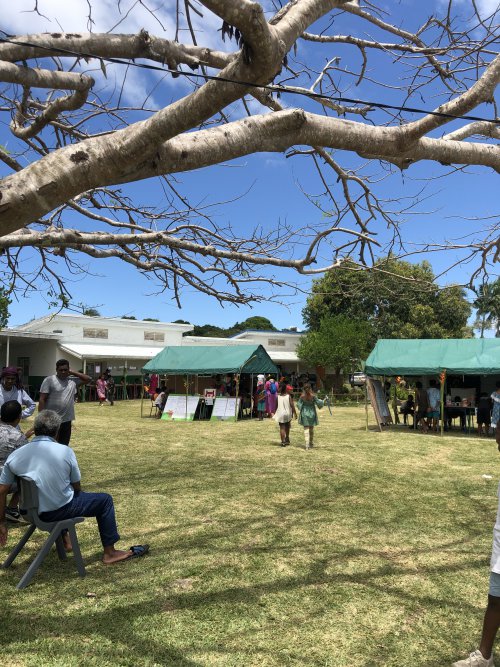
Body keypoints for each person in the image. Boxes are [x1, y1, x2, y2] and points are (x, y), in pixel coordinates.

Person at [0, 410, 149, 565]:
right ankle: (110, 553)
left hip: (28, 512)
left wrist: (2, 522)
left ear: (35, 430)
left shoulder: (16, 455)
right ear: (57, 431)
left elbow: (2, 491)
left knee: (59, 496)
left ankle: (66, 540)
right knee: (104, 500)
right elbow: (76, 486)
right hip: (55, 512)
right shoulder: (65, 451)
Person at [38, 359, 91, 446]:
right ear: (56, 370)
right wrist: (41, 417)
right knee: (51, 445)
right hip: (52, 420)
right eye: (61, 370)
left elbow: (88, 379)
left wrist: (72, 372)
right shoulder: (49, 380)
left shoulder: (72, 381)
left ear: (69, 369)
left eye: (65, 370)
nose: (63, 372)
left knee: (64, 445)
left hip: (66, 420)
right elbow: (42, 399)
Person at [0, 401, 28, 522]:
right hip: (6, 482)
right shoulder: (19, 437)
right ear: (19, 417)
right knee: (28, 477)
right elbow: (26, 462)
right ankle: (12, 507)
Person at [297, 383, 324, 450]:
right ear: (310, 388)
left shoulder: (302, 396)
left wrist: (301, 407)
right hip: (312, 413)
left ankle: (307, 445)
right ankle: (311, 443)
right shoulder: (313, 396)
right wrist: (322, 401)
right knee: (311, 429)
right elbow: (319, 403)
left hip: (304, 412)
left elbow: (298, 404)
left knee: (306, 428)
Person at [273, 381, 297, 446]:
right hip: (288, 414)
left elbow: (276, 406)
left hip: (281, 413)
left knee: (282, 428)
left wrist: (275, 413)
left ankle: (283, 442)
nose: (278, 388)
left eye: (279, 387)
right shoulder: (288, 396)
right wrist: (295, 413)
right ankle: (287, 438)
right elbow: (292, 405)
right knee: (287, 426)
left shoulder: (278, 397)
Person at [491, 382, 500, 450]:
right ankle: (497, 435)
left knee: (496, 422)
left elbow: (492, 401)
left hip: (496, 409)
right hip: (496, 410)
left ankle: (496, 435)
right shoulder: (494, 393)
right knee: (497, 423)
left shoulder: (494, 393)